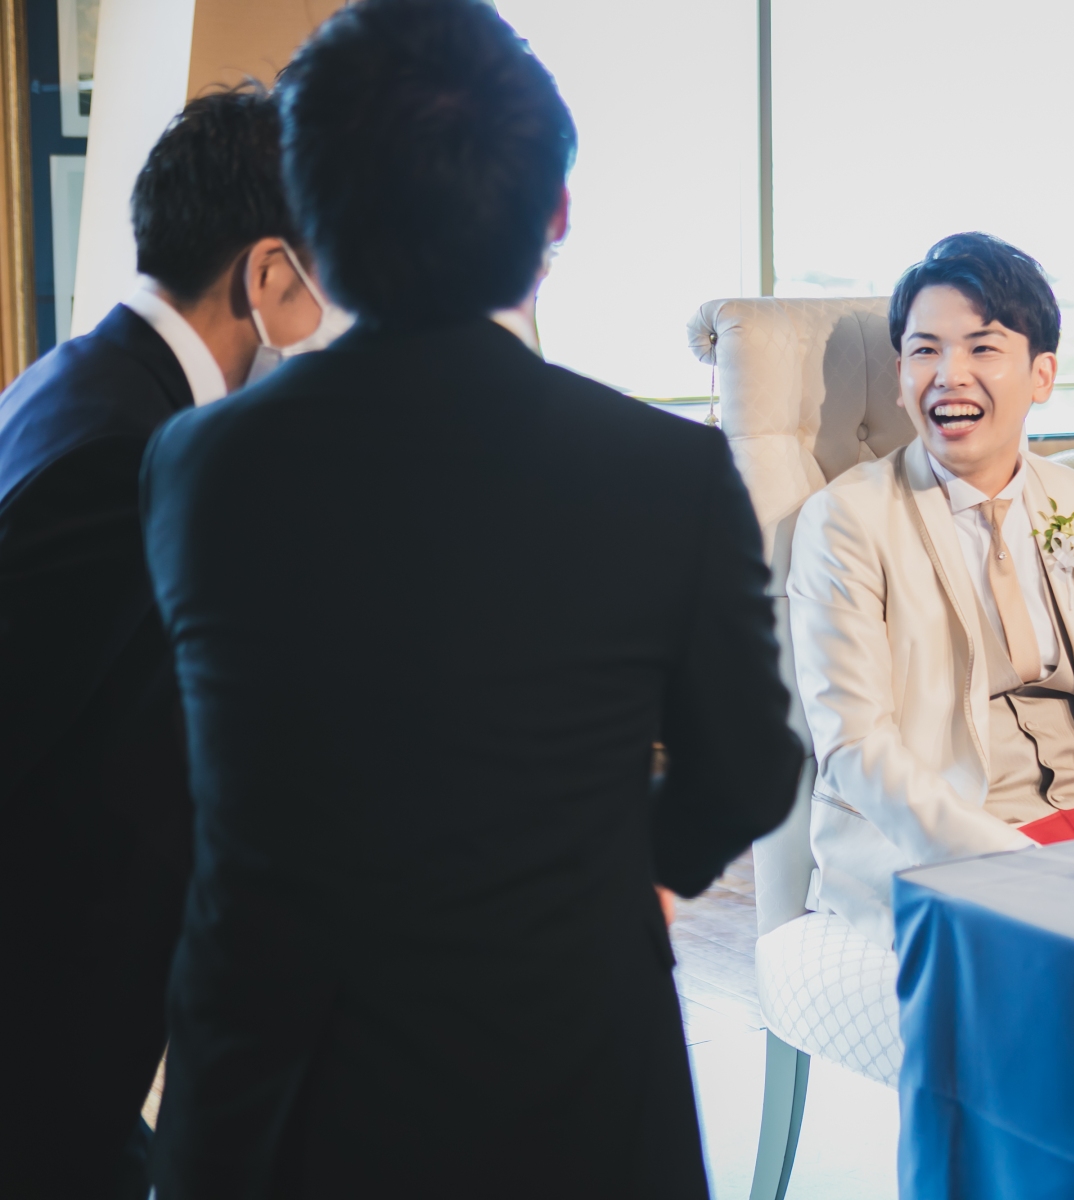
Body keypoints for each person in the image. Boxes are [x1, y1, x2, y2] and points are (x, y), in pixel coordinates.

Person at [140, 3, 802, 1196]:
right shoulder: (665, 473)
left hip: (281, 1110)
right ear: (556, 216)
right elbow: (752, 770)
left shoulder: (198, 469)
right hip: (575, 1089)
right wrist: (617, 875)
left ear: (307, 225)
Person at [0, 89, 334, 1200]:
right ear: (269, 273)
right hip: (46, 1031)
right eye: (329, 272)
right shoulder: (123, 453)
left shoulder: (77, 380)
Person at [787, 232, 1074, 948]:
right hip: (949, 835)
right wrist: (1011, 865)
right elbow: (857, 745)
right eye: (925, 351)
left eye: (982, 348)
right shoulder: (847, 520)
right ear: (900, 374)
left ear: (1042, 374)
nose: (949, 374)